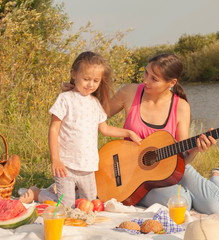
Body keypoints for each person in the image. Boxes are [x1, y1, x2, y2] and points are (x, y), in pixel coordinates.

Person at [21, 53, 219, 215]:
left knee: (217, 206)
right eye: (146, 73)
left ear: (171, 83)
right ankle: (185, 192)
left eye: (154, 79)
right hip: (133, 172)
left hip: (174, 167)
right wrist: (76, 96)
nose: (146, 81)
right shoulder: (130, 92)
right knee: (183, 203)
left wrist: (197, 149)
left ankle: (217, 176)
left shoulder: (180, 106)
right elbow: (93, 117)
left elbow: (182, 158)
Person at [19, 51, 141, 208]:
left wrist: (128, 132)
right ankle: (38, 193)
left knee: (89, 205)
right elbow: (54, 129)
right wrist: (55, 159)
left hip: (88, 166)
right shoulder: (65, 99)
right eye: (86, 79)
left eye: (96, 80)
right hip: (66, 164)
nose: (90, 84)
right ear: (74, 74)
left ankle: (62, 191)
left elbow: (104, 129)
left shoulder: (95, 103)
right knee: (66, 206)